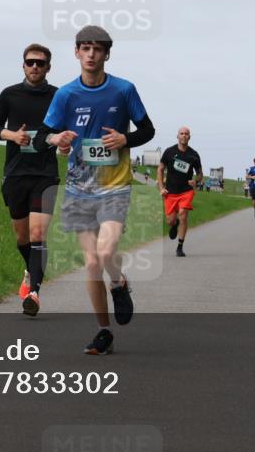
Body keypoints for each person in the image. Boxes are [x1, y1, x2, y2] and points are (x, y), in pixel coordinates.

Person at [34, 26, 155, 355]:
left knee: (105, 253)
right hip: (78, 189)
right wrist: (55, 139)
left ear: (106, 54)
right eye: (84, 48)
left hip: (114, 186)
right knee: (90, 263)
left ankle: (118, 282)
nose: (90, 54)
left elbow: (147, 130)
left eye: (97, 49)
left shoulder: (123, 90)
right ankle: (104, 332)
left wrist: (125, 139)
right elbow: (39, 136)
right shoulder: (66, 95)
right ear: (76, 53)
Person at [0, 44, 59, 317]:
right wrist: (13, 137)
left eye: (40, 63)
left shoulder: (58, 96)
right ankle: (30, 269)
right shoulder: (9, 95)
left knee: (38, 234)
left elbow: (66, 126)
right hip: (16, 173)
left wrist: (62, 140)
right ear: (23, 65)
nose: (34, 67)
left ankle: (34, 294)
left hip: (45, 173)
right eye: (30, 62)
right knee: (21, 236)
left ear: (48, 68)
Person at [157, 126, 203, 257]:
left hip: (186, 191)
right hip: (170, 192)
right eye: (181, 133)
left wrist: (196, 181)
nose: (184, 135)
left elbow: (200, 174)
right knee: (170, 221)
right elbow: (160, 169)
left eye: (186, 134)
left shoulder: (193, 155)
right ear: (177, 136)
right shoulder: (169, 152)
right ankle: (174, 223)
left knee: (183, 214)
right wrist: (161, 188)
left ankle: (180, 246)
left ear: (189, 137)